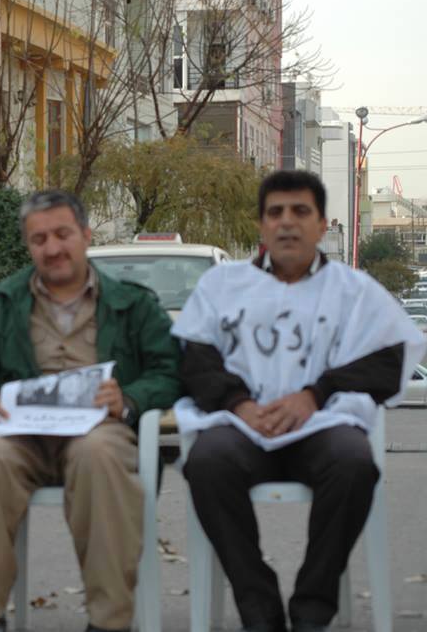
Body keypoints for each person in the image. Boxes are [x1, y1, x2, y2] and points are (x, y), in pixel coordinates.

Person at [173, 170, 426, 632]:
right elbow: (194, 357)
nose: (287, 222)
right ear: (261, 224)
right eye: (276, 212)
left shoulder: (355, 291)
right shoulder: (222, 286)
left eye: (300, 211)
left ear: (322, 224)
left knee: (353, 462)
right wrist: (239, 403)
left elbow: (388, 360)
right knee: (207, 461)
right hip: (243, 427)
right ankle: (258, 605)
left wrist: (315, 395)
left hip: (323, 426)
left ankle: (313, 606)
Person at [0, 190, 181, 632]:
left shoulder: (132, 304)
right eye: (39, 239)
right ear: (28, 245)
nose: (52, 248)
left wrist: (130, 398)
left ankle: (108, 622)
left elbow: (170, 371)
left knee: (99, 456)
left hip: (99, 431)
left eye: (62, 234)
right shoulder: (2, 302)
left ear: (86, 235)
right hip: (21, 436)